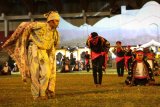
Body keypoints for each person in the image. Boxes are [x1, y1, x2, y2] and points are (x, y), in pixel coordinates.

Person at [2, 11, 60, 100]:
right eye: (56, 21)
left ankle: (43, 92)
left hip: (43, 53)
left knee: (46, 73)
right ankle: (37, 95)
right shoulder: (40, 25)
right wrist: (24, 38)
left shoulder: (54, 32)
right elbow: (26, 26)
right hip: (34, 50)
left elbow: (54, 45)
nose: (58, 23)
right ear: (51, 21)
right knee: (35, 74)